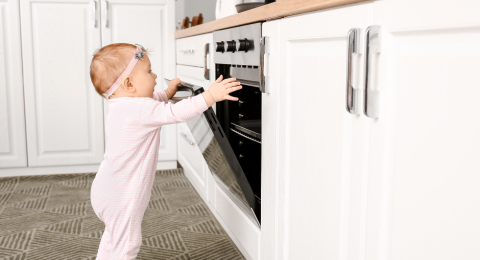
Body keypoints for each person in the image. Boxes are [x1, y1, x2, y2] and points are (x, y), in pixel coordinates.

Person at [89, 43, 241, 259]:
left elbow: (151, 103)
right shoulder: (139, 109)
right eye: (149, 71)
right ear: (129, 83)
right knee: (127, 246)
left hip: (106, 189)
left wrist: (168, 92)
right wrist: (210, 96)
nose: (155, 75)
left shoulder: (121, 105)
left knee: (114, 237)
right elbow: (174, 113)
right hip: (123, 196)